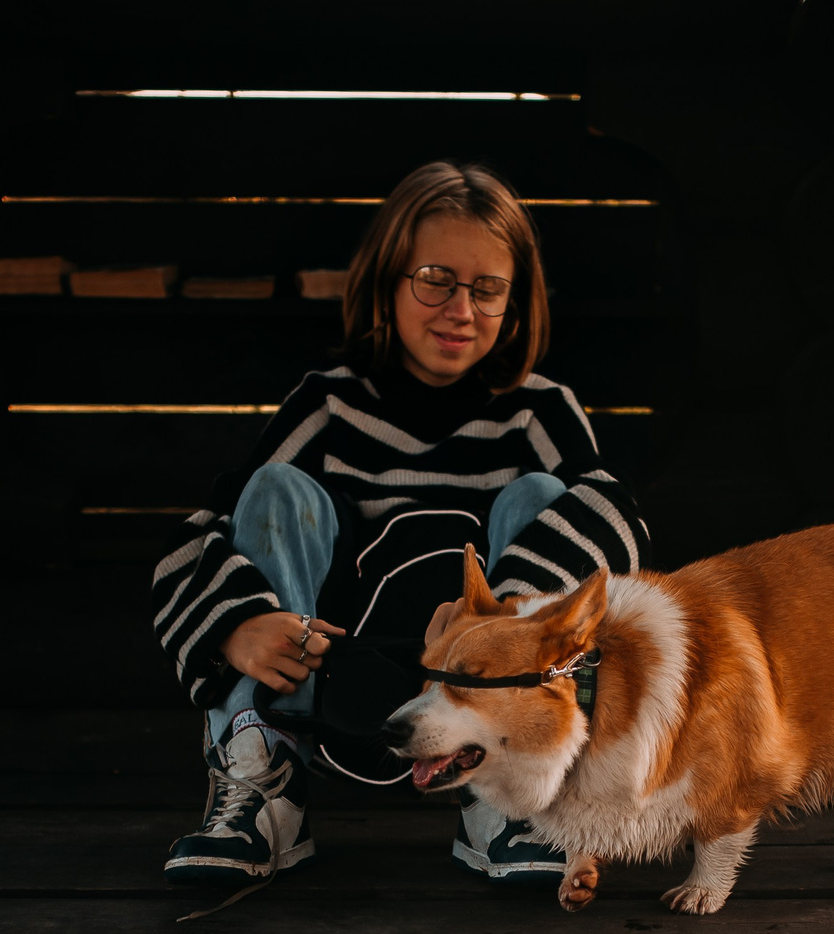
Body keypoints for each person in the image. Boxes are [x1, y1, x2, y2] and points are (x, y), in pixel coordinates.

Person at [149, 159, 648, 888]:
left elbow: (617, 524)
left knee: (552, 494)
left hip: (487, 701)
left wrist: (496, 622)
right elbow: (203, 534)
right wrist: (238, 622)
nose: (462, 308)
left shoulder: (538, 411)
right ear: (388, 279)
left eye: (488, 289)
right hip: (332, 675)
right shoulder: (325, 407)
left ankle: (508, 805)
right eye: (436, 279)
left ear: (515, 302)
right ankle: (263, 783)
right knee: (275, 491)